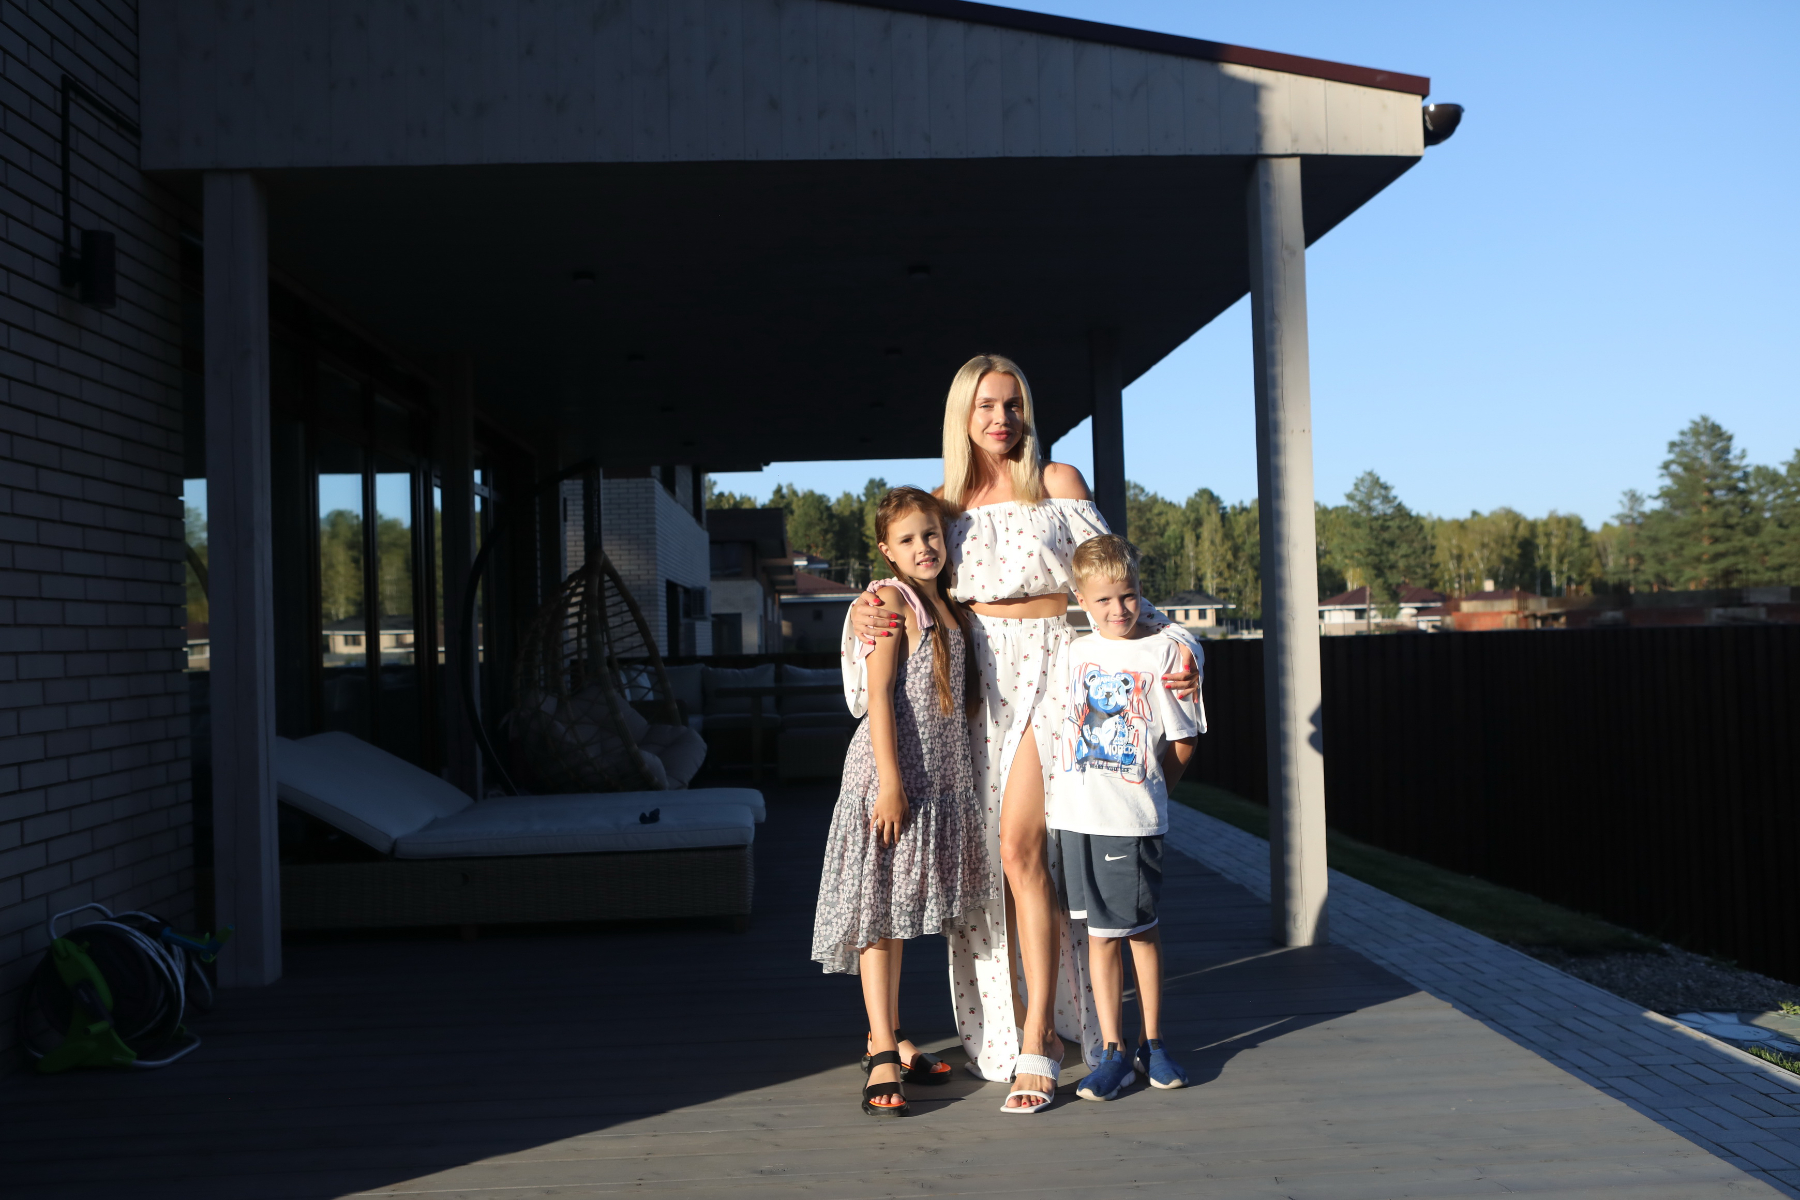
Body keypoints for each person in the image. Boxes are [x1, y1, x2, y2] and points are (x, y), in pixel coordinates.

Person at [843, 355, 1200, 1114]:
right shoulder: (944, 504)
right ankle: (1012, 1020)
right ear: (963, 415)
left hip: (1056, 670)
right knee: (995, 863)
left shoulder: (1060, 483)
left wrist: (1176, 647)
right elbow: (909, 581)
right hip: (978, 681)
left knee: (1019, 847)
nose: (1001, 419)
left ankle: (1040, 1035)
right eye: (986, 406)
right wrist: (865, 605)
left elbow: (1109, 580)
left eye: (1013, 405)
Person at [812, 487, 993, 1117]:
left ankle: (886, 1031)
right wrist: (890, 782)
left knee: (903, 914)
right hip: (891, 781)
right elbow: (880, 694)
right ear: (887, 551)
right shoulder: (890, 601)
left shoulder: (952, 605)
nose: (924, 547)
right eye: (908, 539)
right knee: (880, 916)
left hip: (937, 783)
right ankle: (882, 1050)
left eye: (932, 535)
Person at [1051, 534, 1201, 1101]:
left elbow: (1184, 740)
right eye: (1104, 599)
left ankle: (1152, 1044)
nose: (1119, 609)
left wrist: (1151, 795)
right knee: (1100, 934)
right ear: (1082, 600)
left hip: (1129, 822)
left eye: (1129, 595)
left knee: (1138, 930)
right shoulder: (1072, 653)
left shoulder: (1164, 653)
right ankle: (1112, 1050)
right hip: (1076, 818)